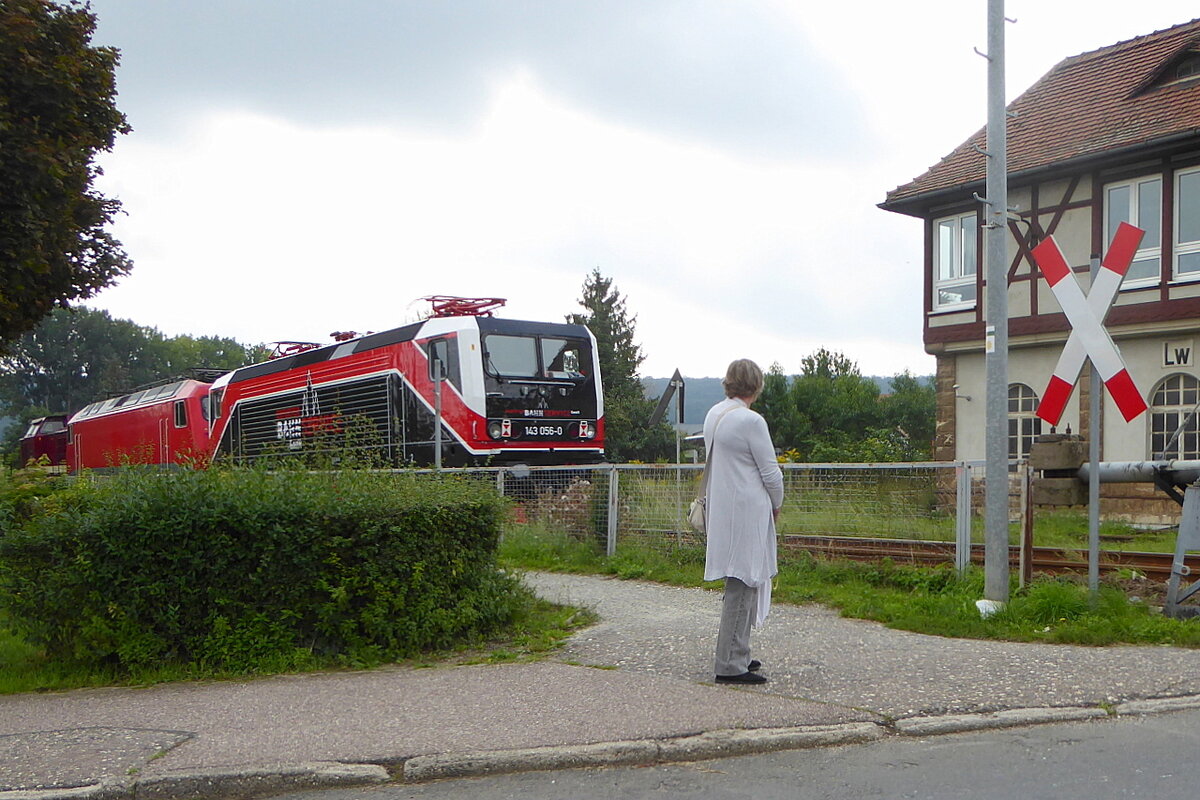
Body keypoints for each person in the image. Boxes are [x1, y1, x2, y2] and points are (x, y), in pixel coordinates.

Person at [702, 358, 783, 685]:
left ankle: (739, 652)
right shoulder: (751, 421)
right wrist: (777, 504)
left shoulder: (714, 414)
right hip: (748, 510)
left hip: (722, 508)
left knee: (740, 581)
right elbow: (770, 473)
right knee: (744, 581)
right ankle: (730, 663)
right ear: (756, 385)